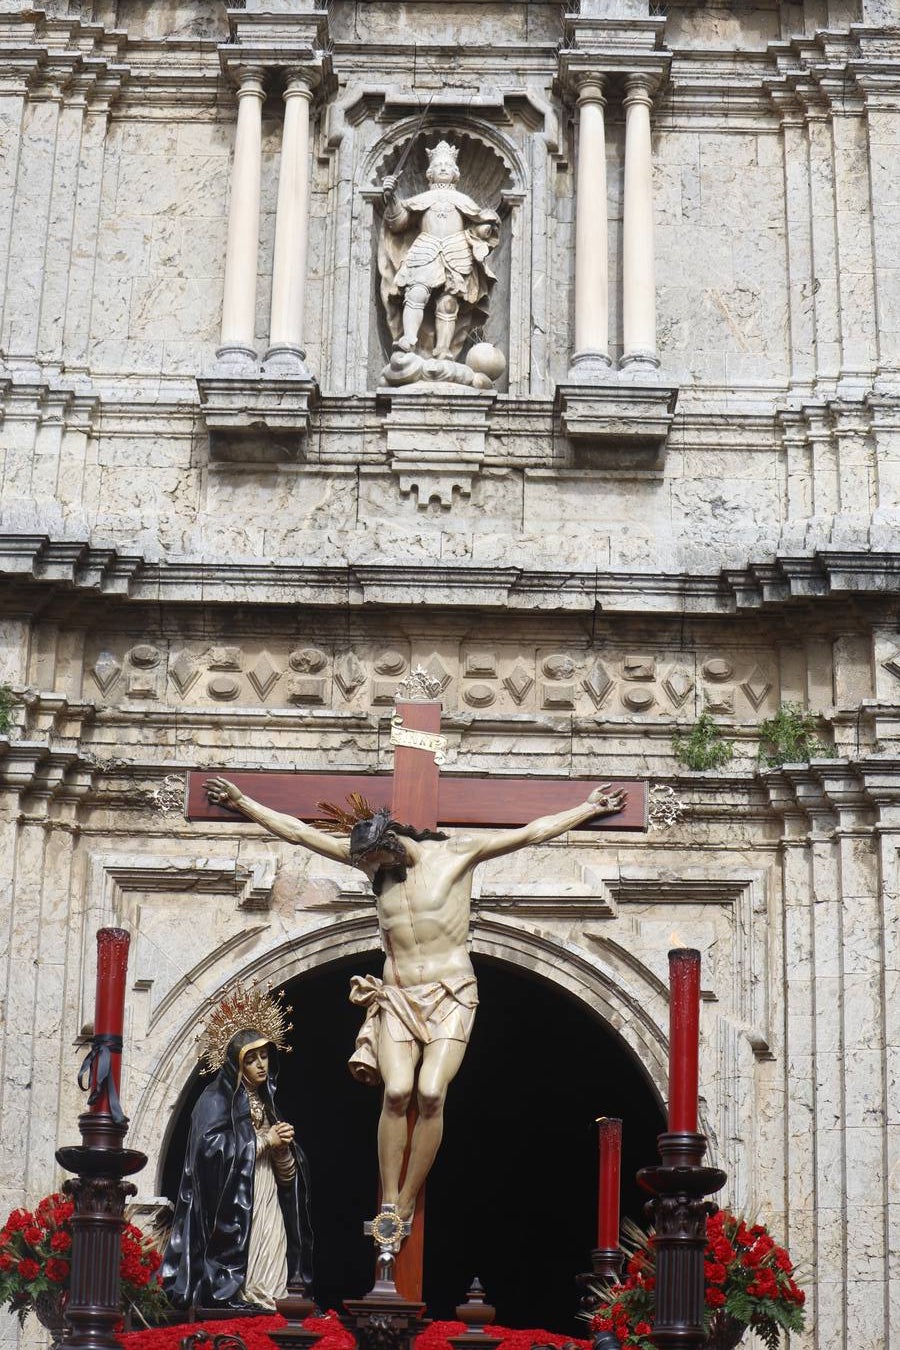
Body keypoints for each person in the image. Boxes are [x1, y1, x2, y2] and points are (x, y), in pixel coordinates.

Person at [204, 775, 626, 1228]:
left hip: (451, 992)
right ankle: (388, 1199)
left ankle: (407, 1196)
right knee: (398, 1092)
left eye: (377, 860)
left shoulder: (457, 856)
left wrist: (588, 809)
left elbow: (530, 832)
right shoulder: (374, 865)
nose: (371, 871)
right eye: (366, 864)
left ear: (394, 843)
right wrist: (244, 803)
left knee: (429, 1093)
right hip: (399, 996)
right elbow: (301, 833)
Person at [161, 987, 314, 1312]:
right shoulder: (214, 1100)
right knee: (251, 1249)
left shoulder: (269, 1105)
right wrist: (262, 1143)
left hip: (265, 1189)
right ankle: (244, 1295)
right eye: (251, 1058)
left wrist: (284, 1151)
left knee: (273, 1245)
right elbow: (208, 1152)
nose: (261, 1064)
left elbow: (288, 1180)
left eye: (264, 1056)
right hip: (233, 1200)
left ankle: (269, 1300)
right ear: (236, 1063)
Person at [378, 139, 501, 360]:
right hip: (426, 248)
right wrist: (392, 198)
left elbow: (478, 223)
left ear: (455, 173)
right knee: (415, 293)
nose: (443, 167)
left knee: (448, 302)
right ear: (429, 173)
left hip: (456, 250)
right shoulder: (423, 199)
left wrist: (485, 228)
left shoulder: (463, 200)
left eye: (447, 165)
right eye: (438, 165)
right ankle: (409, 339)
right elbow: (398, 223)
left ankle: (443, 349)